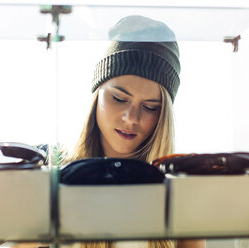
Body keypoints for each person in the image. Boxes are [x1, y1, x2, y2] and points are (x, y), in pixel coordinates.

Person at [60, 15, 206, 248]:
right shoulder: (50, 169)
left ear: (163, 116)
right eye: (119, 98)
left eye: (150, 107)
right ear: (97, 95)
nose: (131, 118)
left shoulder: (178, 191)